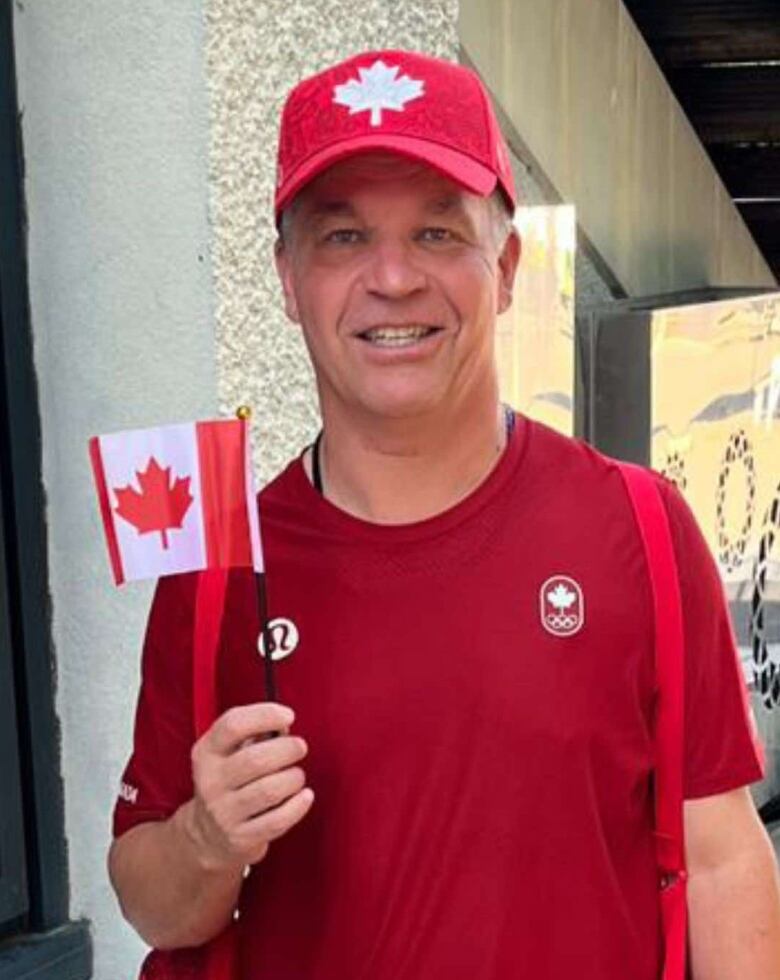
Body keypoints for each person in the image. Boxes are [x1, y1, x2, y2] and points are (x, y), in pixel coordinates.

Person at [108, 49, 780, 979]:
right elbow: (152, 900)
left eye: (436, 234)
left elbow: (722, 858)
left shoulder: (642, 531)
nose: (392, 278)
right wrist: (205, 837)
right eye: (342, 238)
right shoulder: (221, 570)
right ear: (288, 278)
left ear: (503, 267)